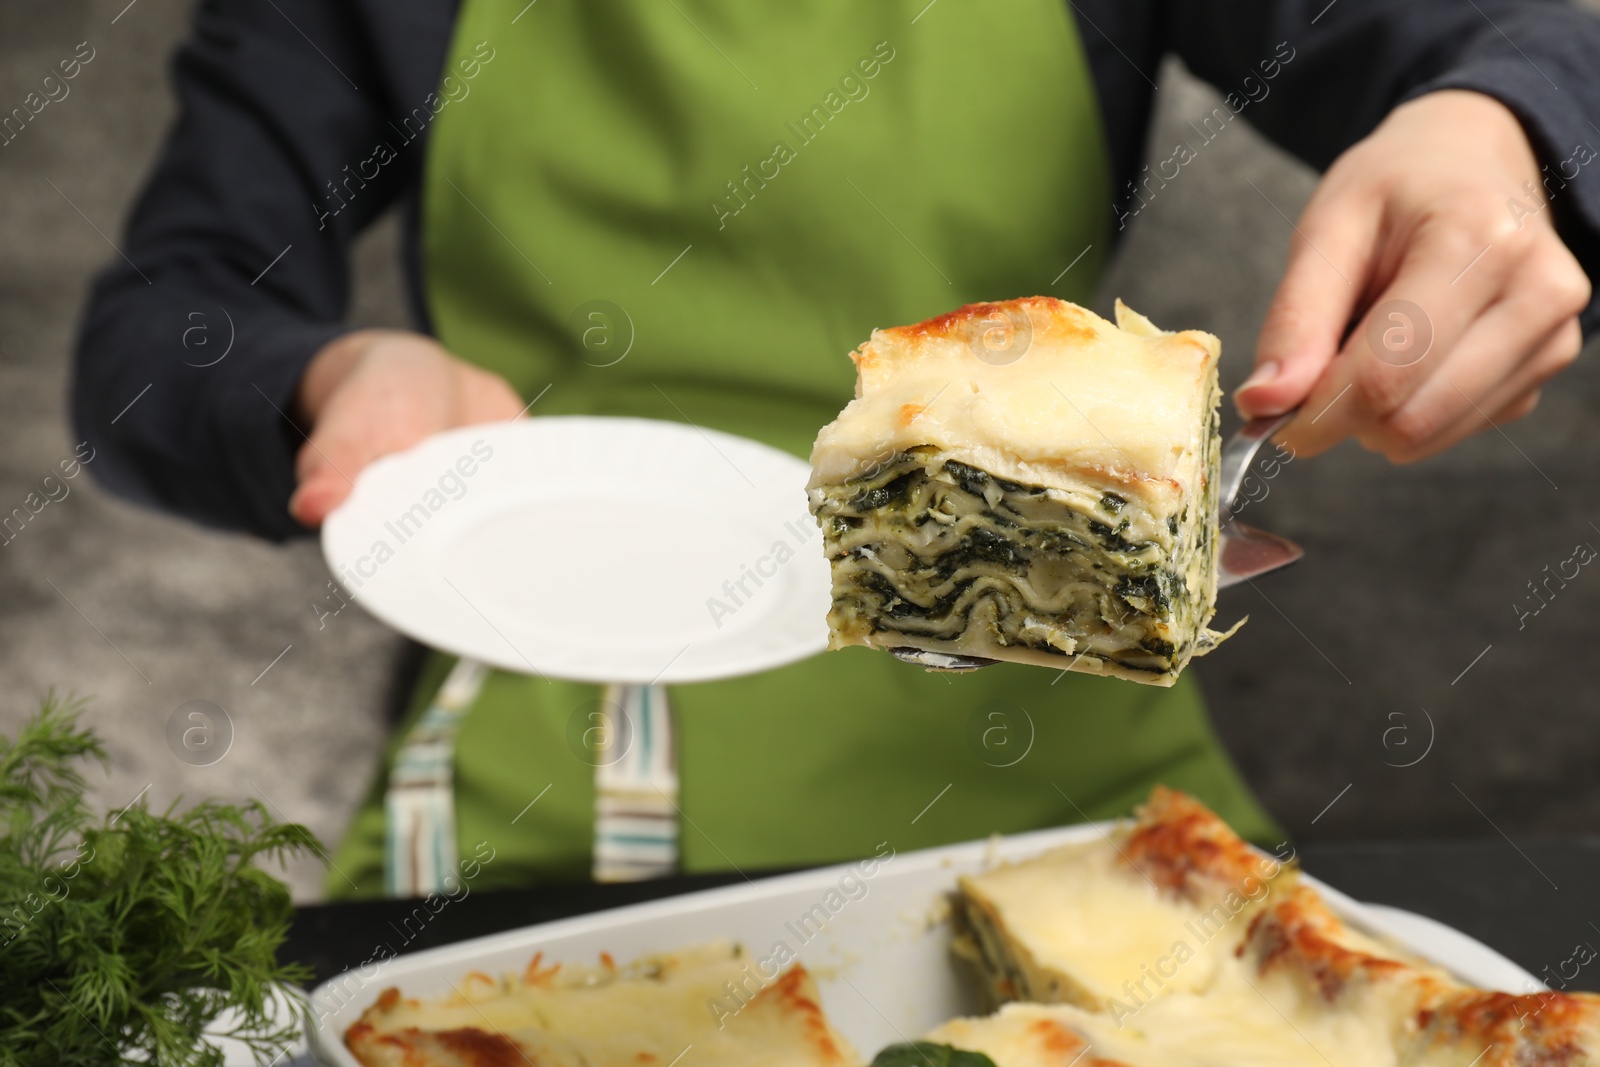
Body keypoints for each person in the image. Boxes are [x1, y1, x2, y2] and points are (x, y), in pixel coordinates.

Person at [73, 0, 1600, 897]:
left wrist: (1502, 127)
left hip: (1067, 797)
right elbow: (159, 328)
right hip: (531, 818)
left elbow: (1516, 41)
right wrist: (321, 375)